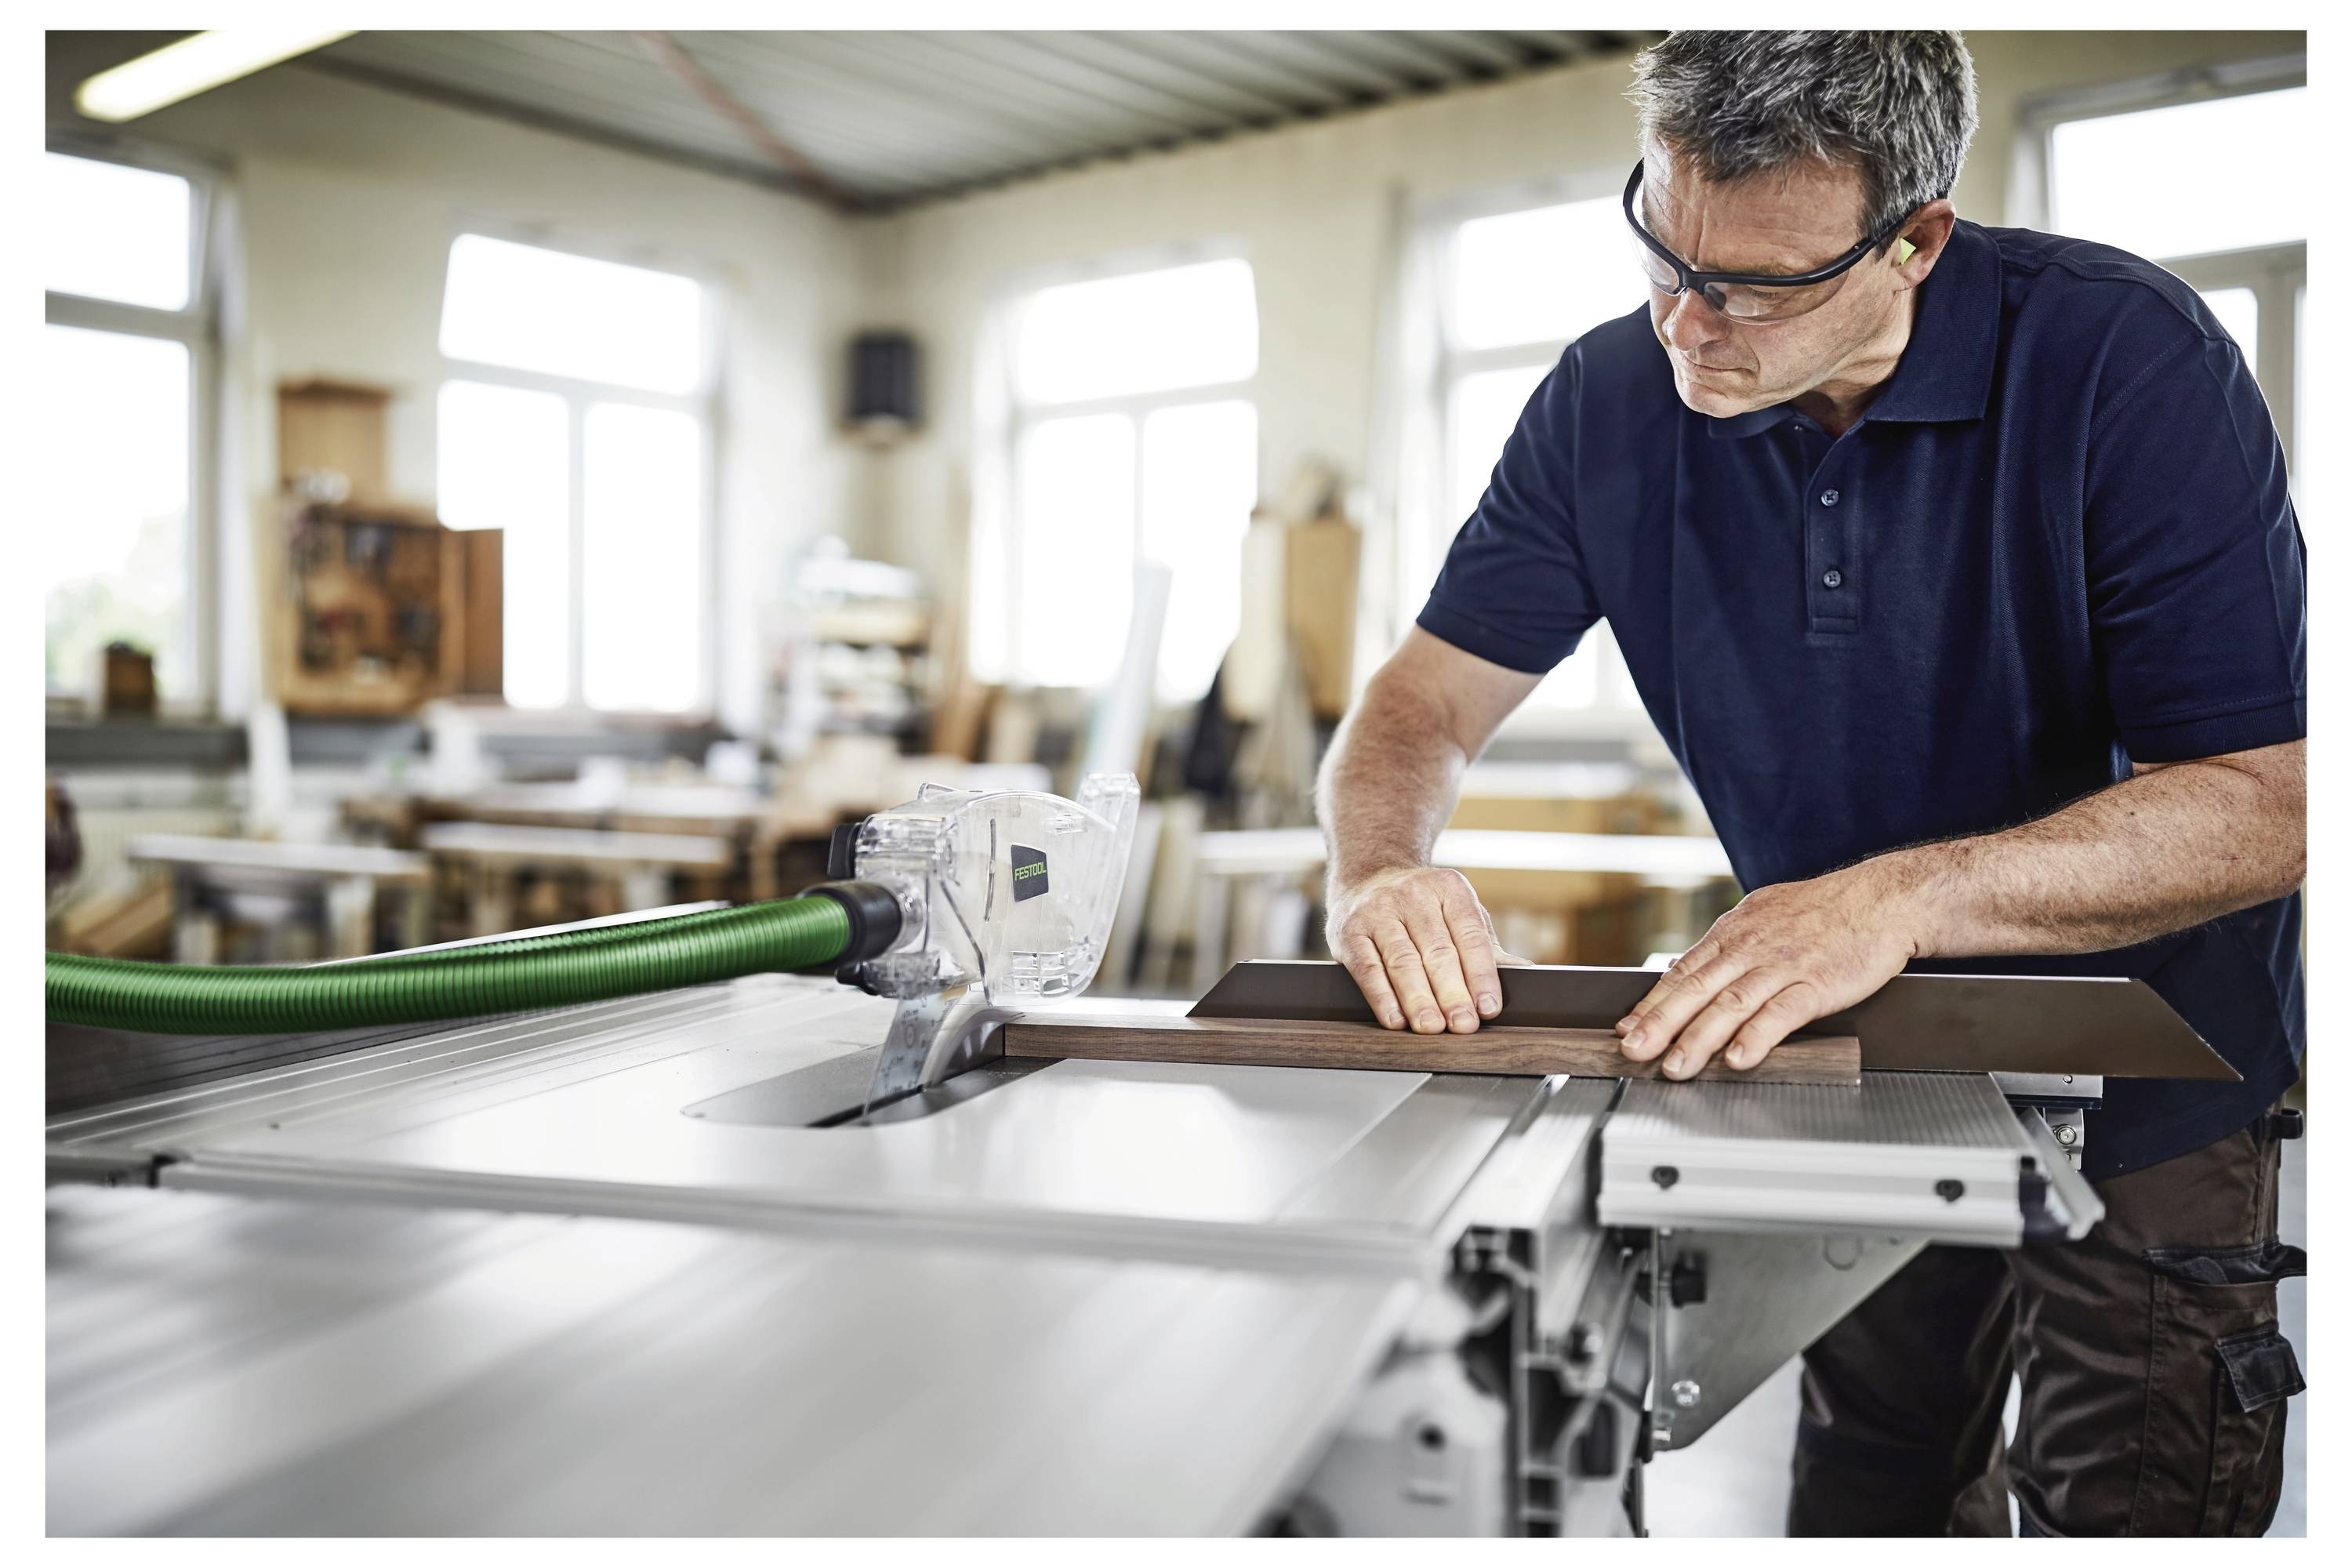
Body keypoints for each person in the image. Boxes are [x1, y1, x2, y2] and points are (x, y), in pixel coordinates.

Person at [1316, 30, 2304, 1537]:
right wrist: (1381, 865)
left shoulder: (2126, 362)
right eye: (1661, 250)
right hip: (1852, 1055)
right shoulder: (1605, 402)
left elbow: (2272, 799)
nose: (1686, 325)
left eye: (1757, 287)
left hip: (2151, 1057)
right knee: (1871, 1485)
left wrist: (1903, 897)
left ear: (1915, 241)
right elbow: (1420, 704)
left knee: (2134, 1501)